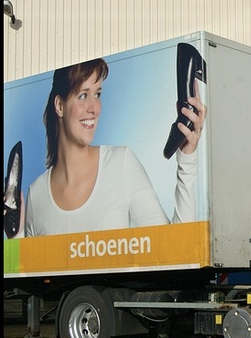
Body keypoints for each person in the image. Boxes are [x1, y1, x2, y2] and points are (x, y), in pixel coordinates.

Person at [22, 58, 207, 236]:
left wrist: (187, 160)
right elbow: (30, 268)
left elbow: (176, 250)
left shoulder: (121, 164)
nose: (94, 108)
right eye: (83, 95)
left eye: (98, 94)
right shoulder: (36, 194)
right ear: (60, 105)